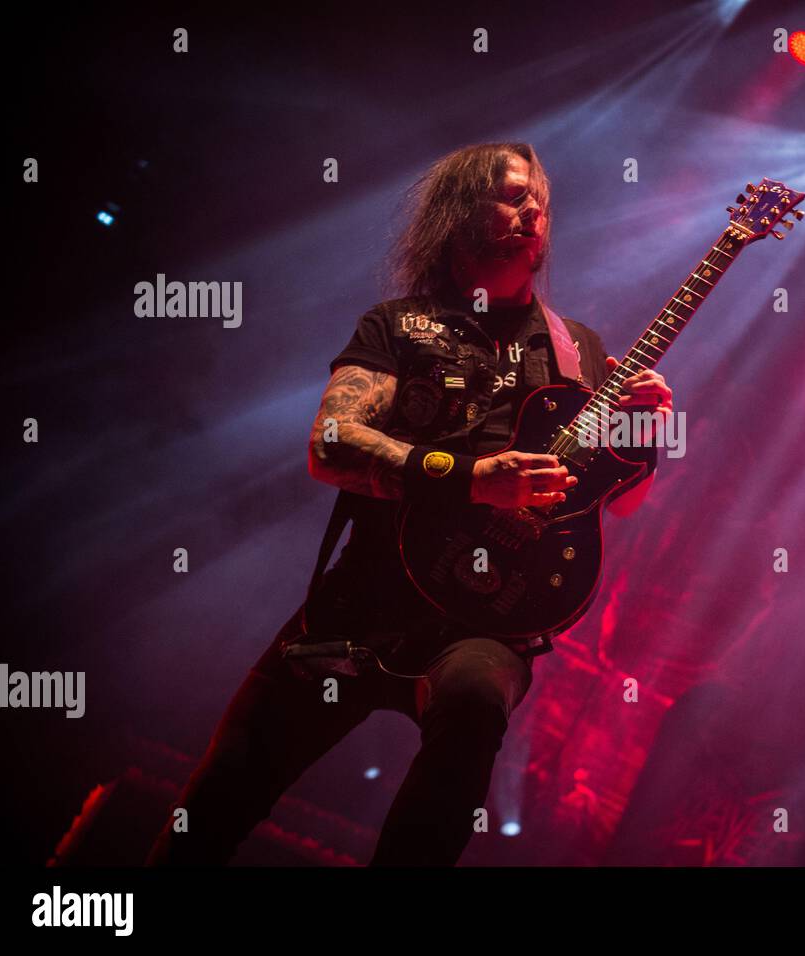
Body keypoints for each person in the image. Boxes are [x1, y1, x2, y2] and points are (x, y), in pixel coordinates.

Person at [145, 142, 673, 866]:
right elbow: (329, 447)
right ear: (459, 213)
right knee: (215, 805)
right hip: (363, 600)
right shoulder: (397, 325)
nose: (533, 209)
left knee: (474, 702)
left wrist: (648, 428)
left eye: (540, 200)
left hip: (487, 621)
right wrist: (469, 476)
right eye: (511, 195)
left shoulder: (575, 350)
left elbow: (624, 503)